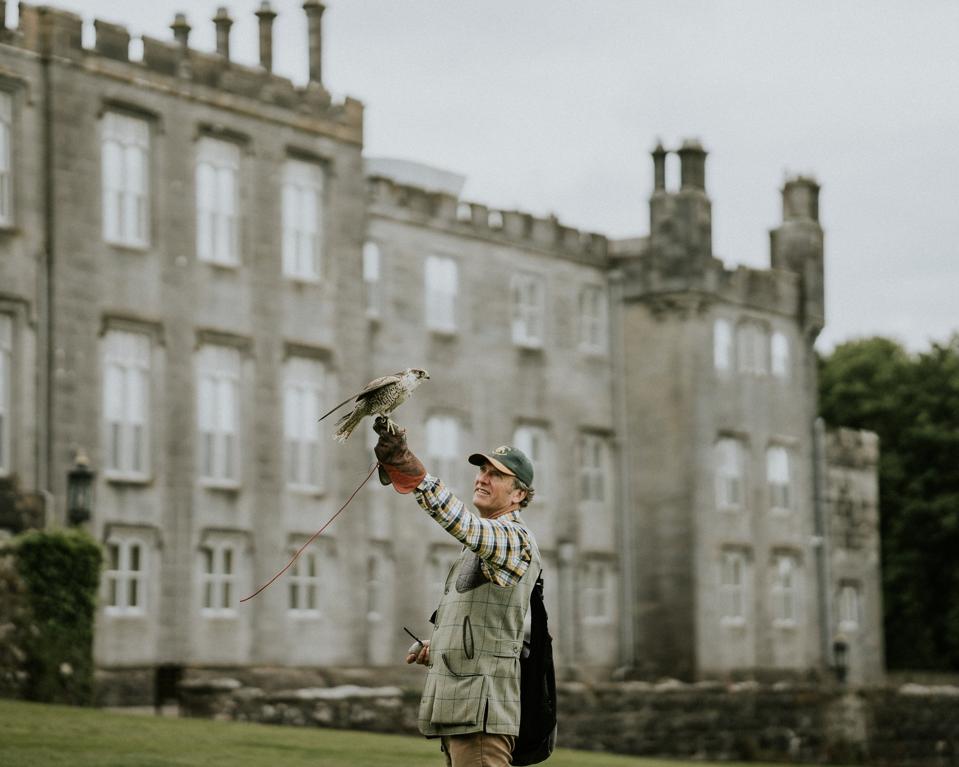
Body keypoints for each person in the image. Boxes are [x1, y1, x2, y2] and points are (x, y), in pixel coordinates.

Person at [373, 416, 540, 767]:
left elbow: (463, 524)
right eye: (482, 470)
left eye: (496, 475)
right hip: (464, 713)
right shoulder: (486, 541)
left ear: (519, 494)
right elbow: (485, 630)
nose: (482, 478)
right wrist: (439, 647)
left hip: (480, 717)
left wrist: (412, 471)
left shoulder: (513, 538)